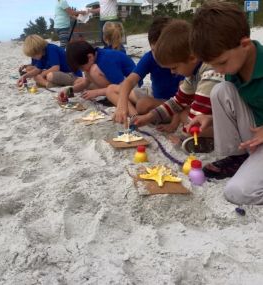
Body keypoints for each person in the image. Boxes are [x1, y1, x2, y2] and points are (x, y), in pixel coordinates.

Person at [187, 1, 263, 205]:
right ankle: (236, 158)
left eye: (221, 62)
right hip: (255, 138)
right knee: (221, 90)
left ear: (245, 44)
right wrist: (209, 119)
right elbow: (244, 108)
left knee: (238, 193)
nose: (219, 70)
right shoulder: (234, 69)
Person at [132, 19, 224, 151]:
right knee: (184, 116)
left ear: (192, 58)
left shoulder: (209, 70)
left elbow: (198, 113)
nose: (172, 72)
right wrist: (148, 117)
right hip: (216, 117)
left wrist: (184, 135)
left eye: (174, 67)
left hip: (232, 124)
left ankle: (209, 140)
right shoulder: (193, 73)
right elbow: (177, 102)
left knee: (190, 121)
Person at [112, 17, 184, 128]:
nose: (160, 57)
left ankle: (138, 116)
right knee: (113, 89)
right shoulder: (150, 58)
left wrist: (174, 125)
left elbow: (183, 99)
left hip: (176, 105)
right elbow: (129, 81)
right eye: (155, 51)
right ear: (151, 46)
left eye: (163, 52)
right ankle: (134, 116)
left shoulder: (181, 63)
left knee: (142, 104)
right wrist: (121, 105)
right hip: (157, 98)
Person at [66, 40, 135, 100]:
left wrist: (97, 92)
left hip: (132, 85)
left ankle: (113, 96)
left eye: (82, 68)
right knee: (89, 72)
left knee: (93, 70)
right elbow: (85, 83)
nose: (82, 71)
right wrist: (69, 91)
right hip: (121, 85)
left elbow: (121, 86)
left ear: (89, 57)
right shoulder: (95, 58)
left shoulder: (105, 60)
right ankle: (110, 95)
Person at [17, 34, 82, 88]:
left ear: (39, 49)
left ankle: (50, 84)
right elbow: (37, 69)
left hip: (73, 74)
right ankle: (48, 84)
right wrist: (24, 76)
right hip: (61, 74)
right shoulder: (41, 55)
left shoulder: (51, 49)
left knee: (50, 75)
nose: (33, 58)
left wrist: (42, 75)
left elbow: (56, 68)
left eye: (34, 55)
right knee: (36, 76)